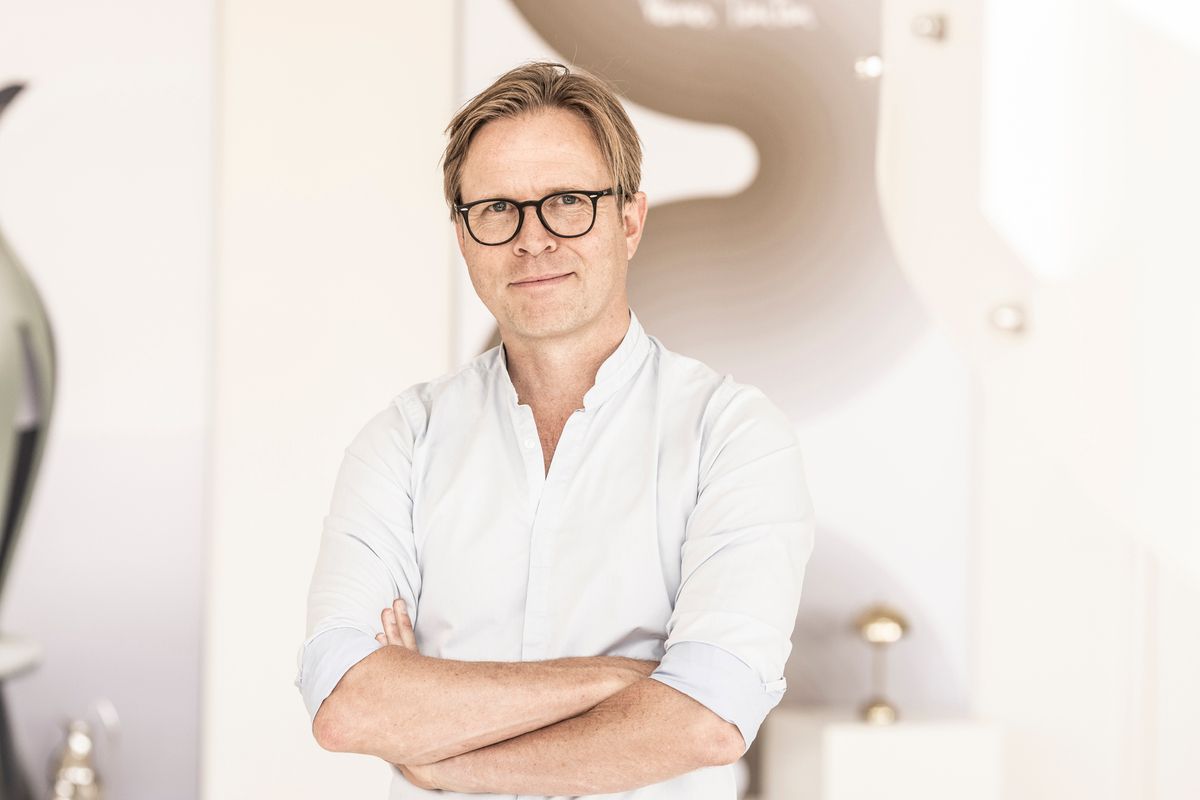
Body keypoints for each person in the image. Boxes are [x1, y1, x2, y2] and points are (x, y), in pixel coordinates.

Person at [294, 60, 815, 799]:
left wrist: (439, 759)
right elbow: (350, 706)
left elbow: (706, 721)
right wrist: (620, 680)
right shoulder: (402, 441)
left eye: (568, 201)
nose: (532, 239)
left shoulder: (732, 436)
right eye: (496, 208)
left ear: (629, 221)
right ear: (463, 234)